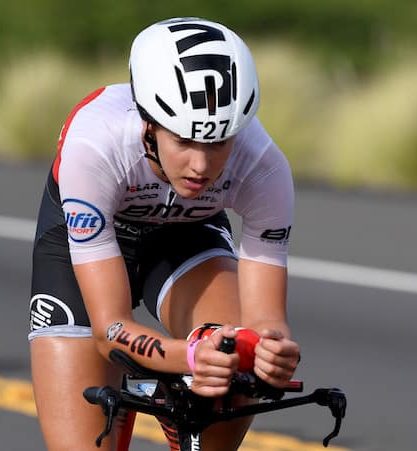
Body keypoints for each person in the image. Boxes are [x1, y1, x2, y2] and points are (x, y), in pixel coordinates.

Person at [28, 17, 300, 451]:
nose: (201, 165)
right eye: (185, 141)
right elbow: (110, 329)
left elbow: (267, 323)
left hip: (184, 233)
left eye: (219, 143)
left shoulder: (264, 167)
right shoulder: (95, 148)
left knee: (236, 360)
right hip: (89, 239)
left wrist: (270, 352)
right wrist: (188, 359)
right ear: (149, 124)